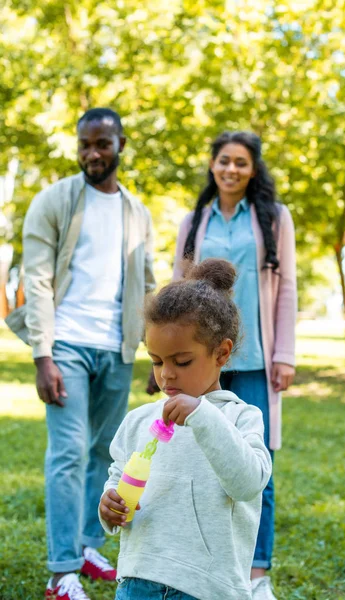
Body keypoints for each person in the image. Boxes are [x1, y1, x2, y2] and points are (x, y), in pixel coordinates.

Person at [5, 108, 155, 600]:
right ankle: (60, 571)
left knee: (103, 451)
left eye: (102, 145)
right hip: (66, 342)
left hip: (116, 346)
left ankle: (91, 547)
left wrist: (153, 352)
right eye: (85, 145)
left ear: (120, 145)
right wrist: (43, 356)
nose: (93, 154)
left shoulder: (137, 212)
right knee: (68, 453)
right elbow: (39, 278)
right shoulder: (55, 200)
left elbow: (147, 284)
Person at [99, 258, 272, 600]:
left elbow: (249, 483)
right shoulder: (138, 421)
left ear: (221, 353)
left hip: (206, 587)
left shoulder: (241, 417)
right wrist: (109, 503)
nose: (166, 375)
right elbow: (119, 475)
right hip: (138, 580)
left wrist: (203, 415)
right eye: (157, 361)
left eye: (182, 361)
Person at [171, 131, 297, 600]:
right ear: (212, 165)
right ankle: (206, 562)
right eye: (224, 160)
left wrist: (284, 355)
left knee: (255, 462)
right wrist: (169, 353)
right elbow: (178, 287)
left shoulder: (274, 218)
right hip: (206, 358)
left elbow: (287, 290)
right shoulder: (195, 221)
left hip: (256, 358)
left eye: (241, 163)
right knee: (200, 457)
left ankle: (256, 573)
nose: (231, 170)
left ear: (253, 169)